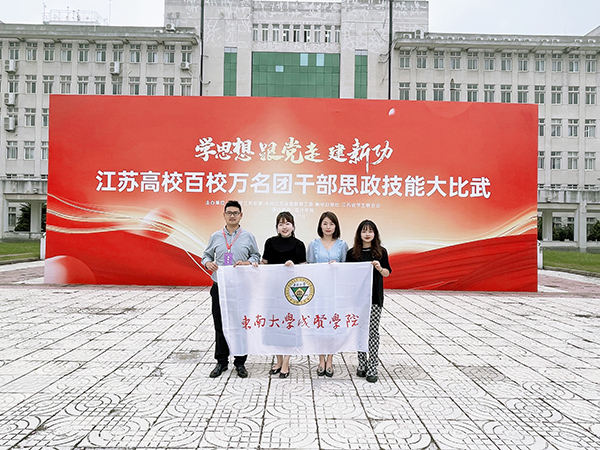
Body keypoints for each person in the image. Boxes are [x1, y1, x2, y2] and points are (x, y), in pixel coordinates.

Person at [202, 200, 261, 379]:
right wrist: (208, 263)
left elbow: (256, 255)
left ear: (241, 215)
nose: (232, 216)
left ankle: (240, 362)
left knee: (240, 324)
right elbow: (206, 255)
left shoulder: (248, 236)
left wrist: (248, 262)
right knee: (220, 324)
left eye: (236, 213)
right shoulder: (215, 236)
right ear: (224, 215)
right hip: (220, 287)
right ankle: (221, 362)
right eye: (229, 212)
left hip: (242, 288)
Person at [261, 211, 307, 379]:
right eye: (281, 224)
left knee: (289, 326)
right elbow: (264, 265)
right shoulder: (270, 242)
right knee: (275, 326)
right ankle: (278, 360)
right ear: (277, 227)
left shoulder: (299, 245)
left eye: (287, 223)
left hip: (292, 294)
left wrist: (293, 267)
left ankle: (286, 362)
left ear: (293, 226)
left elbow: (304, 270)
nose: (284, 227)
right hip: (273, 292)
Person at [345, 219, 392, 383]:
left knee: (372, 331)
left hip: (374, 298)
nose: (367, 234)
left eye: (370, 231)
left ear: (375, 234)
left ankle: (372, 366)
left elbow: (387, 273)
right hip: (357, 300)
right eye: (364, 231)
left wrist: (379, 268)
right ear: (359, 234)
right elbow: (347, 275)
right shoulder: (352, 253)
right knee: (359, 331)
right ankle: (362, 363)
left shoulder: (381, 252)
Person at [306, 211, 348, 377]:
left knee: (332, 324)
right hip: (318, 291)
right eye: (325, 223)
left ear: (336, 226)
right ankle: (321, 359)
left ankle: (330, 359)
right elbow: (309, 266)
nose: (328, 227)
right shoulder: (313, 244)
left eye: (331, 224)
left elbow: (347, 267)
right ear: (320, 226)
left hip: (335, 291)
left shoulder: (342, 245)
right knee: (319, 323)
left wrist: (338, 266)